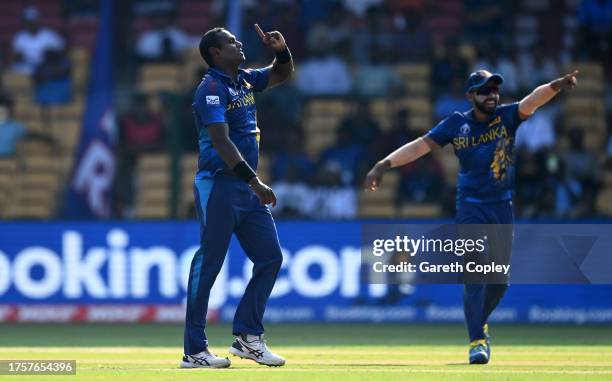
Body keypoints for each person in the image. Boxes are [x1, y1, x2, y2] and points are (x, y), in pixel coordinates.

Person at [364, 69, 579, 364]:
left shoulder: (507, 117)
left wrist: (555, 86)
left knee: (500, 282)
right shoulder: (456, 123)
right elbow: (420, 146)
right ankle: (477, 340)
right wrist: (383, 164)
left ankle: (479, 322)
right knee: (476, 272)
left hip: (502, 205)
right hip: (471, 206)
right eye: (484, 91)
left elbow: (533, 101)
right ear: (470, 96)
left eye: (494, 90)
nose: (491, 95)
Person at [181, 24, 293, 369]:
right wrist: (256, 181)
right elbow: (221, 142)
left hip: (245, 188)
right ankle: (194, 351)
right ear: (215, 53)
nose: (239, 43)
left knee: (271, 258)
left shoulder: (243, 79)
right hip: (219, 185)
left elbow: (281, 75)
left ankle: (247, 336)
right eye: (231, 41)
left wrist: (282, 51)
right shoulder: (211, 89)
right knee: (210, 264)